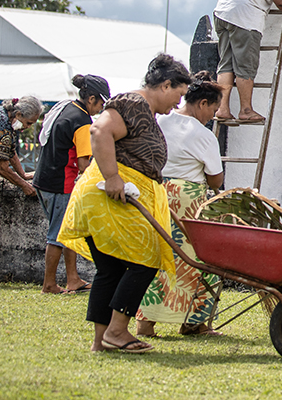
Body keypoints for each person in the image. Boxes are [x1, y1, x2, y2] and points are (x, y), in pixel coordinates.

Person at [58, 54, 191, 353]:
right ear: (166, 84)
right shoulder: (133, 102)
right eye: (178, 95)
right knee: (146, 260)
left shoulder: (144, 109)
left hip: (116, 196)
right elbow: (99, 130)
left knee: (111, 269)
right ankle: (117, 332)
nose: (177, 106)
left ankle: (101, 342)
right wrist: (113, 176)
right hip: (110, 194)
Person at [136, 71, 225, 338]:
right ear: (203, 104)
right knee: (200, 260)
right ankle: (195, 322)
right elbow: (215, 180)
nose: (214, 115)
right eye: (215, 109)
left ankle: (145, 322)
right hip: (187, 200)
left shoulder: (160, 121)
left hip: (156, 192)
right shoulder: (203, 134)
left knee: (157, 256)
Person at [34, 74, 111, 295]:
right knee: (57, 235)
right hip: (61, 183)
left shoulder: (65, 109)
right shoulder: (82, 121)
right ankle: (49, 285)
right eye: (101, 103)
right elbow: (84, 163)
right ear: (92, 99)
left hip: (44, 180)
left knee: (68, 231)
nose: (101, 108)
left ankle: (73, 279)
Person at [0, 96, 43, 289]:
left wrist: (22, 173)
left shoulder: (3, 117)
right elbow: (1, 167)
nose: (28, 127)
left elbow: (9, 151)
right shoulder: (1, 125)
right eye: (28, 122)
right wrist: (23, 185)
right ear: (19, 114)